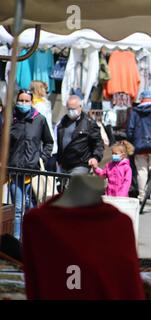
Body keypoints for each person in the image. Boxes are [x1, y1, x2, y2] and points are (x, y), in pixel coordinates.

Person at [9, 89, 54, 239]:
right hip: (14, 171)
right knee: (18, 209)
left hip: (33, 172)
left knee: (30, 206)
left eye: (26, 101)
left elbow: (49, 142)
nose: (23, 103)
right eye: (20, 100)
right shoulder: (10, 118)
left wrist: (42, 157)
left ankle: (33, 237)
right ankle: (17, 241)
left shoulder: (39, 119)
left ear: (31, 102)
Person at [55, 95, 104, 175]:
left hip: (81, 163)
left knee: (72, 186)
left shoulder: (89, 123)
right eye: (69, 109)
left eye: (73, 109)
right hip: (64, 164)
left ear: (80, 107)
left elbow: (98, 143)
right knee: (62, 187)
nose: (71, 111)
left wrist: (95, 157)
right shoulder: (63, 121)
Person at [30, 80, 56, 171]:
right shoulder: (39, 105)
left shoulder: (39, 103)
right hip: (43, 139)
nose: (46, 90)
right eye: (44, 88)